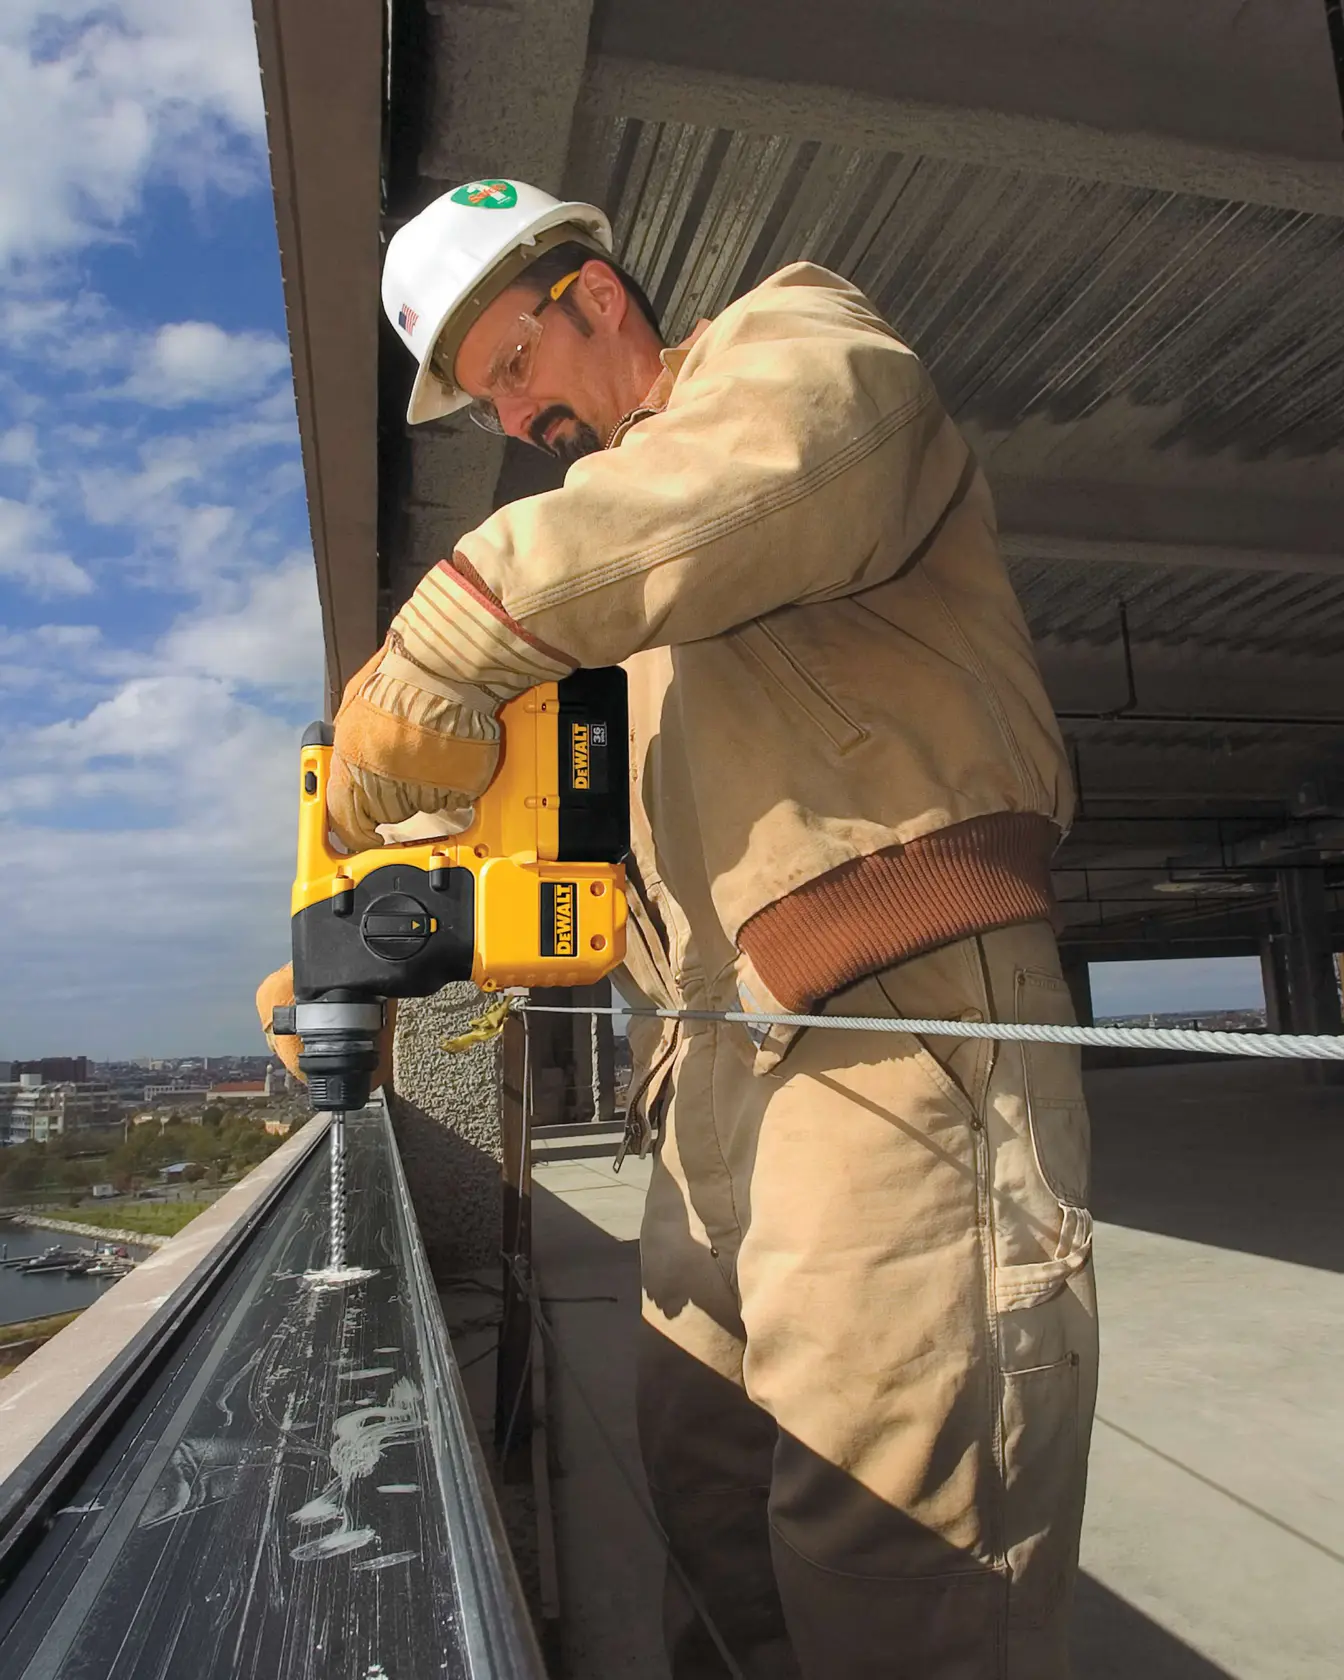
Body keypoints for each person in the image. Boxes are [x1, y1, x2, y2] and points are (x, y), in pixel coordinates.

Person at [261, 178, 1097, 1679]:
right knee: (717, 1527)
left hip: (890, 1035)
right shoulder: (632, 623)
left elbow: (756, 469)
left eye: (510, 364)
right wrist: (388, 930)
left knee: (895, 1568)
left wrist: (446, 638)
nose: (513, 418)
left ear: (592, 292)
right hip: (706, 1075)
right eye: (481, 403)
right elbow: (584, 896)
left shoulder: (795, 348)